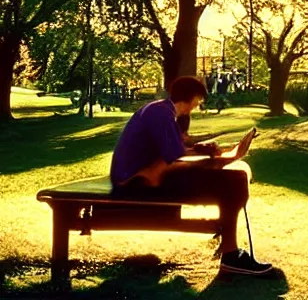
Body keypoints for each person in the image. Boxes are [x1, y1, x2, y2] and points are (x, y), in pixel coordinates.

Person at [110, 75, 272, 276]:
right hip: (136, 183)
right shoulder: (161, 114)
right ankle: (230, 254)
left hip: (146, 176)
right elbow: (174, 162)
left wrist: (204, 152)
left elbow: (175, 153)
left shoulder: (161, 110)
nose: (198, 105)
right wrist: (218, 161)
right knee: (234, 179)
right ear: (192, 98)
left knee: (234, 177)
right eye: (198, 101)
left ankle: (229, 247)